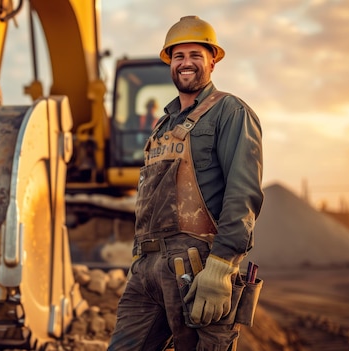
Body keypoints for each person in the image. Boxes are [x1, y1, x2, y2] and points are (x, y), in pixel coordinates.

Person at [108, 15, 264, 351]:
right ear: (170, 63)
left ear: (212, 61)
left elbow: (243, 193)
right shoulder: (162, 127)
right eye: (179, 56)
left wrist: (221, 267)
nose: (186, 63)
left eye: (196, 55)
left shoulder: (230, 112)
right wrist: (139, 262)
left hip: (196, 267)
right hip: (147, 270)